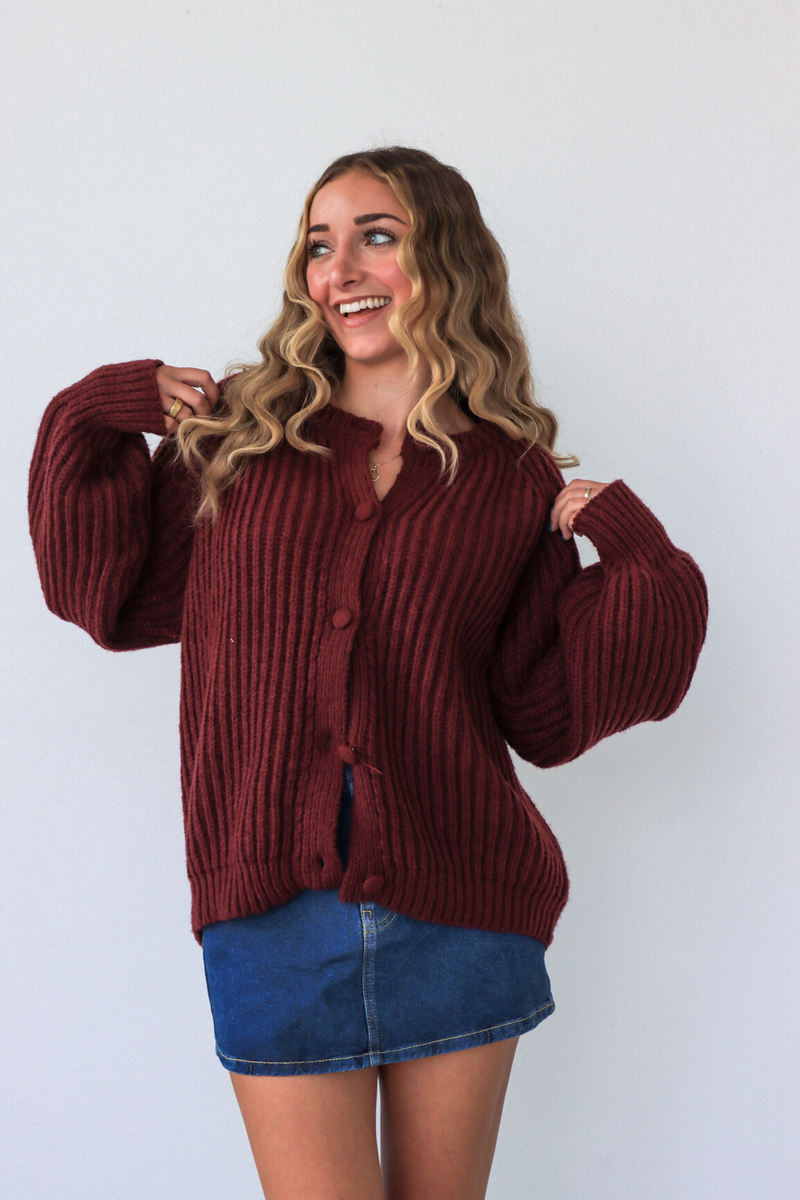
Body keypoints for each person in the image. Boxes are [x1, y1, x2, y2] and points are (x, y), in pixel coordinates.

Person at [28, 146, 708, 1200]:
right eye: (318, 245)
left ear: (444, 259)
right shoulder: (242, 436)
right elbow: (102, 598)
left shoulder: (505, 474)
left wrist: (632, 552)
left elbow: (545, 713)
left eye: (375, 235)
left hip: (462, 904)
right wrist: (97, 411)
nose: (339, 266)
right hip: (268, 909)